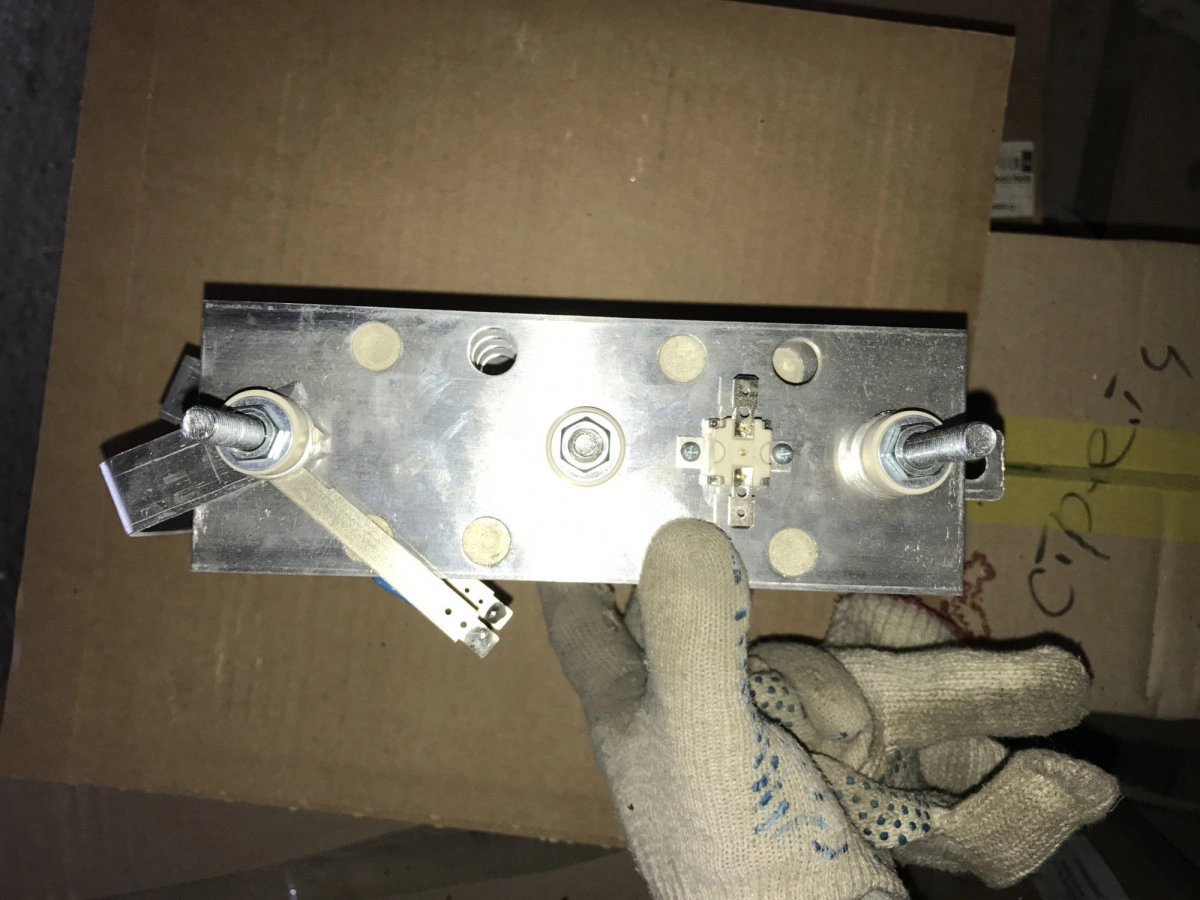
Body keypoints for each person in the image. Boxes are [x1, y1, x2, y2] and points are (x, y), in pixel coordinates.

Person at [539, 519, 1118, 900]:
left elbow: (661, 594)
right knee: (920, 707)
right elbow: (899, 820)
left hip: (818, 709)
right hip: (851, 721)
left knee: (617, 661)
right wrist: (958, 830)